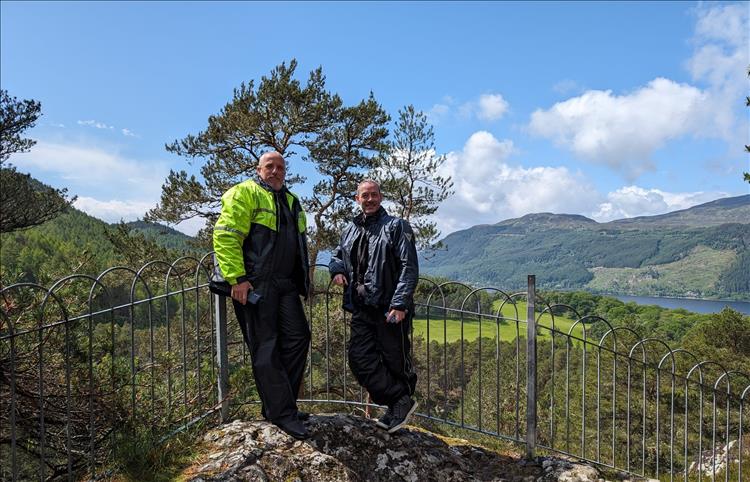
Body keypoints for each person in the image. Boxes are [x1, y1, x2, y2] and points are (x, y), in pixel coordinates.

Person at [213, 151, 311, 439]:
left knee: (298, 338)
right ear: (259, 169)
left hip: (285, 285)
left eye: (281, 167)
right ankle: (281, 413)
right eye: (270, 166)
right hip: (255, 284)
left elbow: (298, 245)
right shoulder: (244, 193)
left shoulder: (291, 200)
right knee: (266, 348)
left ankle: (282, 405)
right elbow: (226, 235)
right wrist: (238, 279)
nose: (276, 171)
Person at [329, 179, 419, 433]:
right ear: (357, 199)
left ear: (381, 197)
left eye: (374, 195)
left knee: (394, 358)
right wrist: (336, 271)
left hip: (389, 308)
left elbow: (408, 267)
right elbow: (337, 255)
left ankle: (398, 405)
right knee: (359, 358)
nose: (369, 199)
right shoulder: (350, 229)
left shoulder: (396, 227)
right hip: (361, 307)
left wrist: (400, 303)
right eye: (364, 195)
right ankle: (398, 399)